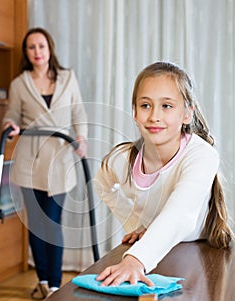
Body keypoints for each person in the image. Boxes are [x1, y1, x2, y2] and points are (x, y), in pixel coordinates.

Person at [94, 61, 234, 287]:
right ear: (134, 112)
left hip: (201, 255)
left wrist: (135, 260)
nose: (154, 116)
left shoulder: (202, 156)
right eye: (145, 105)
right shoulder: (121, 159)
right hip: (157, 253)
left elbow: (180, 214)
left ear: (187, 114)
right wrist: (133, 223)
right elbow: (102, 185)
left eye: (167, 106)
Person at [2, 27, 88, 298]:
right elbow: (11, 113)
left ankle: (54, 284)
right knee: (37, 224)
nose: (37, 52)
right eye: (31, 47)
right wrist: (10, 125)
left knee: (53, 223)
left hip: (60, 159)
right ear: (26, 53)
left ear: (49, 49)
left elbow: (78, 111)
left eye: (41, 46)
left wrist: (81, 137)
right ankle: (43, 282)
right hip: (29, 160)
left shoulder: (67, 78)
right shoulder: (19, 84)